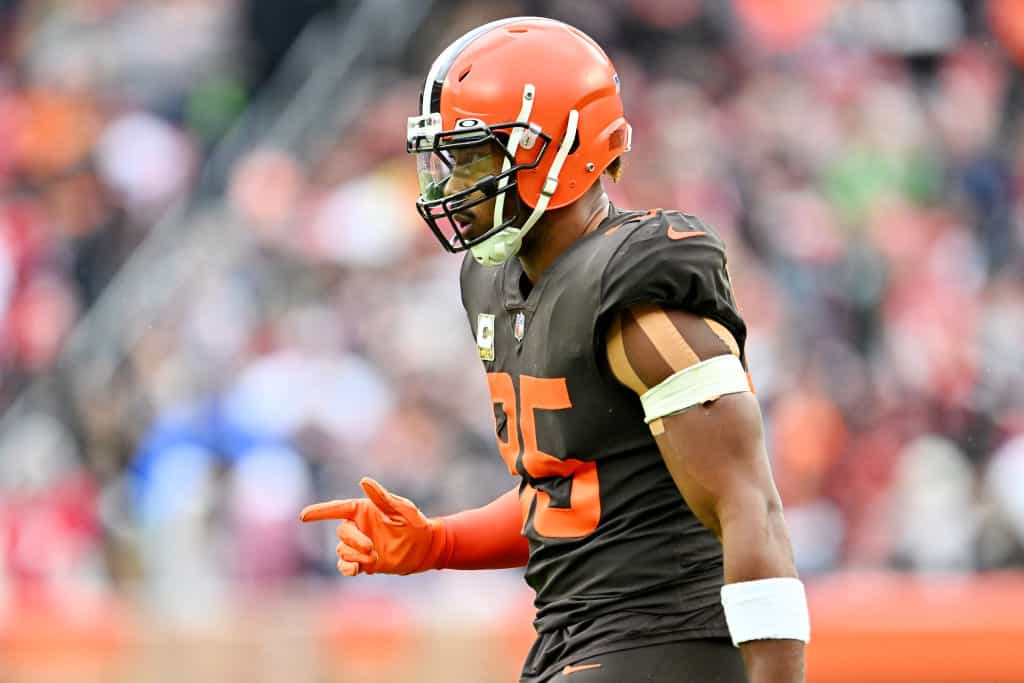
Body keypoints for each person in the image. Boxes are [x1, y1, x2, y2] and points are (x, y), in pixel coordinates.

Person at [301, 17, 808, 683]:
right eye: (446, 161)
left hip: (668, 637)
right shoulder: (496, 281)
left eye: (474, 158)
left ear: (562, 149)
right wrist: (439, 541)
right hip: (575, 641)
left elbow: (752, 508)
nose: (451, 186)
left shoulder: (639, 295)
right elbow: (565, 490)